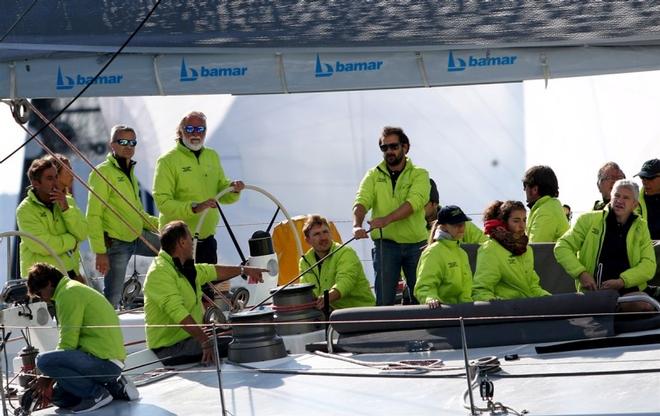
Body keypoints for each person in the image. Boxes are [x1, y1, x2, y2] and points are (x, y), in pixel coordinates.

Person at [143, 221, 265, 365]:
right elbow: (177, 312)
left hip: (189, 340)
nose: (193, 242)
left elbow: (212, 271)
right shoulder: (159, 272)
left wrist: (244, 270)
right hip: (169, 348)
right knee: (241, 342)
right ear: (182, 242)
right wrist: (205, 341)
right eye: (190, 238)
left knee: (241, 334)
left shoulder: (182, 267)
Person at [27, 263, 138, 413]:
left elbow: (68, 343)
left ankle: (97, 394)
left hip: (103, 362)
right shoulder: (73, 288)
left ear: (48, 284)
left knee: (42, 360)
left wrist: (48, 375)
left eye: (40, 294)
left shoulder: (67, 293)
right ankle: (114, 387)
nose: (43, 299)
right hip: (108, 361)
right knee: (59, 397)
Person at [153, 111, 245, 265]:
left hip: (207, 238)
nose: (195, 133)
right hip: (178, 243)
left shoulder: (212, 155)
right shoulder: (167, 161)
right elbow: (162, 202)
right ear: (181, 131)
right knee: (182, 288)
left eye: (200, 129)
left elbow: (221, 191)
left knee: (209, 288)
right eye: (190, 129)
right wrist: (194, 207)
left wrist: (233, 189)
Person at [352, 127, 430, 306]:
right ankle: (384, 334)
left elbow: (415, 202)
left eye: (393, 146)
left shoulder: (420, 174)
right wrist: (356, 224)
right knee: (384, 301)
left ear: (405, 147)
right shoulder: (372, 175)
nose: (389, 151)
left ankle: (426, 334)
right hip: (385, 245)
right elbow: (362, 200)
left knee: (422, 296)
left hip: (416, 246)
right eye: (384, 148)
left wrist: (386, 220)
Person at [87, 125, 160, 308]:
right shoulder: (102, 173)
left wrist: (166, 226)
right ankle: (106, 330)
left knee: (175, 248)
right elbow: (93, 215)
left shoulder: (130, 173)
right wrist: (100, 252)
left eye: (132, 142)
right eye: (123, 142)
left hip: (137, 236)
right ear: (112, 145)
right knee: (112, 297)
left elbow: (137, 213)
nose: (129, 146)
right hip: (116, 244)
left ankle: (166, 295)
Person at [555, 180, 656, 311]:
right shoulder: (588, 220)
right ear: (610, 198)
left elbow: (649, 265)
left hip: (631, 293)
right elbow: (562, 246)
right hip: (595, 293)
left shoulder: (641, 227)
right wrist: (581, 273)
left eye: (626, 197)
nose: (620, 200)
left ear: (635, 204)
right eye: (617, 196)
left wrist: (622, 282)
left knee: (644, 303)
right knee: (644, 304)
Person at [16, 157, 88, 280]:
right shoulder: (25, 210)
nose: (55, 182)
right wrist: (71, 241)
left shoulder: (68, 201)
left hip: (69, 272)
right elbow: (42, 245)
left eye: (56, 177)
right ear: (35, 183)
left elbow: (83, 234)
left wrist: (66, 209)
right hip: (40, 279)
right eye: (50, 178)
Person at [472, 200, 550, 301]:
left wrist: (550, 299)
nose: (522, 226)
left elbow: (532, 287)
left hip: (528, 308)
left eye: (524, 220)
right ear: (504, 223)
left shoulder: (526, 249)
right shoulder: (490, 249)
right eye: (516, 221)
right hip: (507, 311)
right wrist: (498, 307)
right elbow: (481, 291)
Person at [298, 215, 375, 310]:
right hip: (330, 315)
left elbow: (346, 281)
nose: (323, 237)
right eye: (317, 234)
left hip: (361, 312)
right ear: (308, 240)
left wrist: (326, 298)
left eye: (325, 232)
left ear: (330, 234)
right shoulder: (305, 262)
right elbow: (306, 292)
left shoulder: (346, 252)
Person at [415, 205, 473, 308]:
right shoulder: (433, 252)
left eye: (463, 223)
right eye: (457, 224)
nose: (462, 228)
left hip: (463, 312)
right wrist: (430, 298)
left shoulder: (462, 253)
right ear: (444, 226)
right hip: (443, 314)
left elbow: (466, 290)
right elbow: (424, 287)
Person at [522, 165, 569, 243]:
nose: (524, 189)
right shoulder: (549, 206)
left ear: (535, 189)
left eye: (525, 186)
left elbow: (536, 250)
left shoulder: (545, 211)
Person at [635, 158, 659, 240]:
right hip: (645, 250)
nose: (645, 181)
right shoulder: (633, 202)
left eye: (650, 177)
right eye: (642, 177)